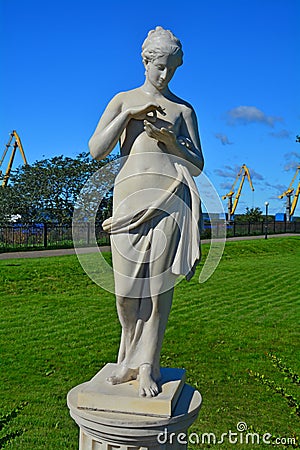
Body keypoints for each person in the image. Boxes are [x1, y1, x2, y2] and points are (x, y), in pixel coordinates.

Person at [89, 26, 204, 397]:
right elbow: (96, 150)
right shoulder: (123, 100)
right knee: (125, 293)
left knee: (156, 291)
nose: (165, 75)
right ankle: (126, 357)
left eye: (172, 69)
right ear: (146, 61)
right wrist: (129, 116)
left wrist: (172, 140)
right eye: (159, 67)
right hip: (127, 202)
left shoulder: (184, 110)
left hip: (169, 199)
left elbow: (198, 164)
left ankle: (145, 365)